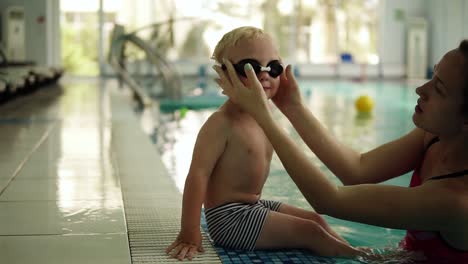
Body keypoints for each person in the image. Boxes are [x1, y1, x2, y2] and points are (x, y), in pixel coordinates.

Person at [215, 39, 468, 263]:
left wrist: (263, 116)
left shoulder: (456, 201)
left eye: (439, 89)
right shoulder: (435, 135)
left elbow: (328, 200)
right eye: (433, 76)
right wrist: (293, 107)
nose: (421, 89)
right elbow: (357, 170)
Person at [165, 26, 364, 261]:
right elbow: (197, 175)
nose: (264, 74)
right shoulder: (221, 123)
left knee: (316, 220)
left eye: (274, 67)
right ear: (224, 75)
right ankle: (363, 258)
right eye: (249, 68)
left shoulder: (265, 118)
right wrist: (190, 232)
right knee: (310, 232)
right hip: (229, 220)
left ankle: (356, 252)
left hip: (253, 206)